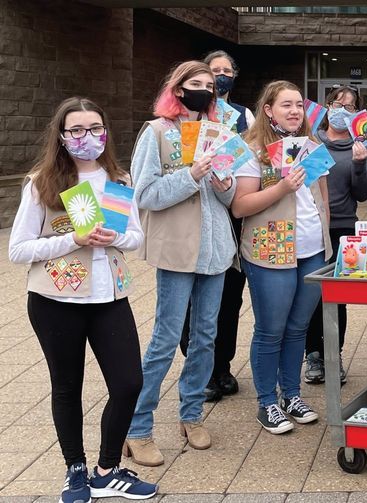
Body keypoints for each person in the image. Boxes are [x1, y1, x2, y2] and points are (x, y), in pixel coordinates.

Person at [9, 97, 157, 502]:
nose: (85, 137)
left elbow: (136, 238)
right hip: (54, 301)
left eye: (94, 128)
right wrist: (70, 240)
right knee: (67, 385)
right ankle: (75, 469)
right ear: (61, 135)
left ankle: (107, 470)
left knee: (129, 383)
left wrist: (116, 238)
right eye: (75, 130)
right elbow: (18, 249)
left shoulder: (118, 180)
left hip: (109, 296)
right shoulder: (43, 183)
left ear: (105, 132)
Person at [126, 61, 237, 466]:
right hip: (176, 249)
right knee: (165, 338)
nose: (205, 90)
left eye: (210, 85)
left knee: (206, 336)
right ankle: (138, 426)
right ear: (177, 88)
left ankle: (191, 415)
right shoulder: (156, 132)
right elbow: (145, 194)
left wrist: (223, 185)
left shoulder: (219, 133)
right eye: (196, 84)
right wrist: (191, 174)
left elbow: (226, 201)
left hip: (215, 250)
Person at [232, 80, 331, 434]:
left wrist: (325, 239)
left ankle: (291, 394)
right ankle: (266, 402)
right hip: (269, 250)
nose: (294, 111)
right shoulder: (252, 149)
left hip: (312, 250)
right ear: (268, 110)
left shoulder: (312, 145)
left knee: (298, 328)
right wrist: (282, 188)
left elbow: (322, 197)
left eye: (298, 105)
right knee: (271, 330)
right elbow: (240, 205)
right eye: (285, 105)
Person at [179, 49, 255, 402]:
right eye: (213, 72)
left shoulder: (243, 116)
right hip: (191, 218)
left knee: (228, 299)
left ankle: (221, 366)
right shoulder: (179, 122)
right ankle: (199, 367)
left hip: (230, 216)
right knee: (191, 301)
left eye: (226, 71)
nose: (219, 77)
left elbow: (255, 159)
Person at [304, 85, 367, 386]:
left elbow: (364, 193)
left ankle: (335, 355)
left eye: (349, 106)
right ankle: (313, 356)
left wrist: (360, 166)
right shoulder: (310, 142)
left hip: (343, 227)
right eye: (336, 103)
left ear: (357, 113)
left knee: (337, 297)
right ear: (326, 106)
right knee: (310, 296)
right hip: (310, 227)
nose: (340, 110)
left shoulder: (362, 147)